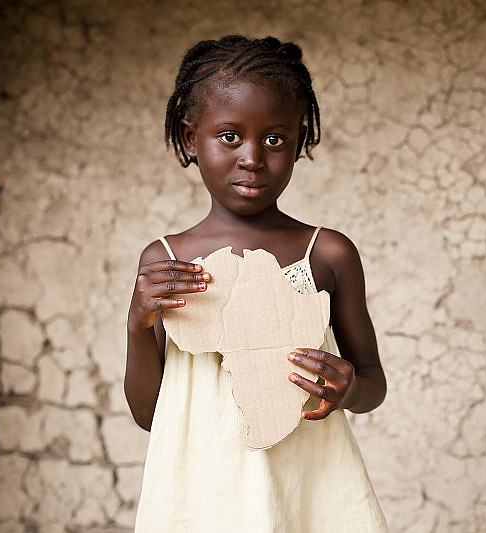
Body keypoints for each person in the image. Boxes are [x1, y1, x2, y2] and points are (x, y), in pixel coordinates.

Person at [124, 35, 388, 532]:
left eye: (274, 139)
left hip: (308, 491)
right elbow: (147, 414)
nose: (252, 158)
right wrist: (137, 327)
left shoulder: (327, 254)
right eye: (229, 136)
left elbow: (373, 382)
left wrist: (350, 388)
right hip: (203, 497)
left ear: (299, 142)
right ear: (190, 139)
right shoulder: (167, 262)